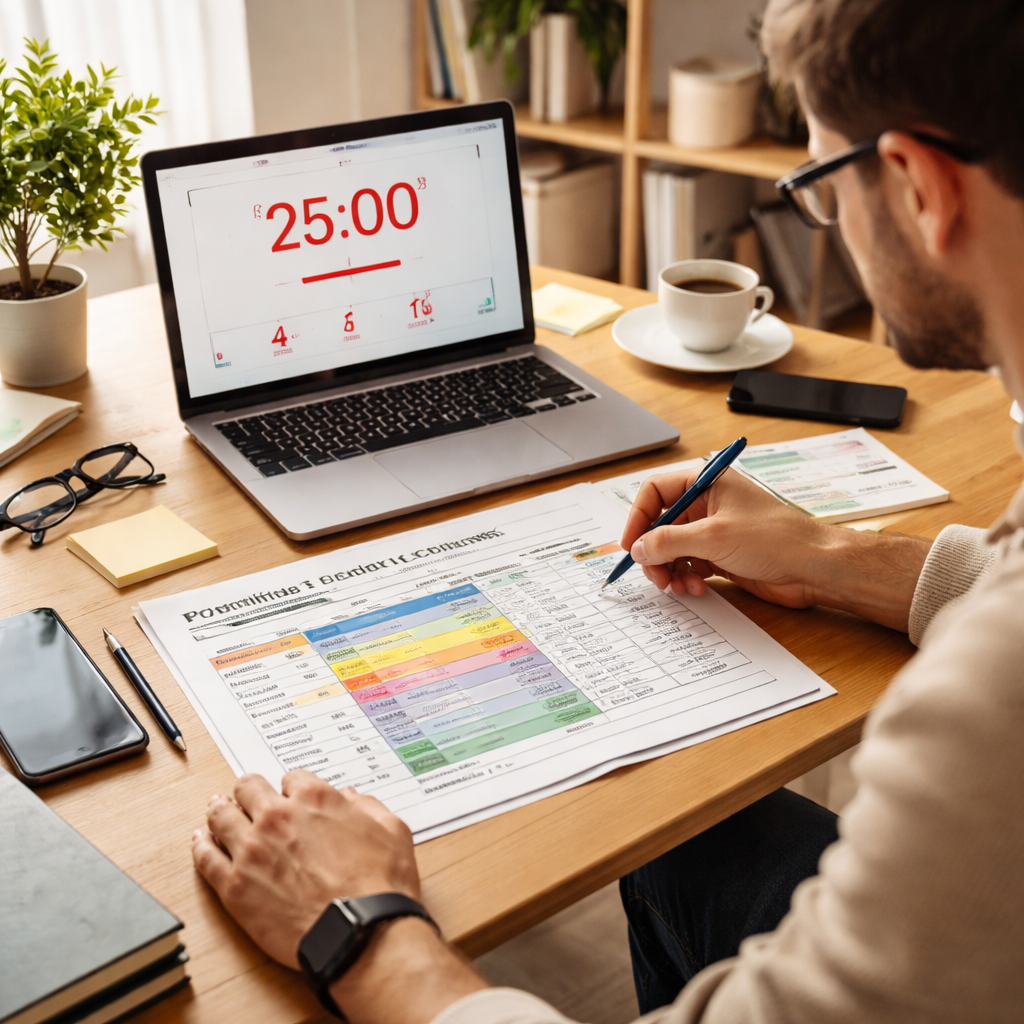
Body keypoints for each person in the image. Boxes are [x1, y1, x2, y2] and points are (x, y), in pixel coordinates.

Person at [189, 0, 1024, 1020]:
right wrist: (832, 557)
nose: (826, 221)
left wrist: (357, 927)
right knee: (691, 834)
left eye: (814, 184)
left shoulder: (984, 706)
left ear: (918, 185)